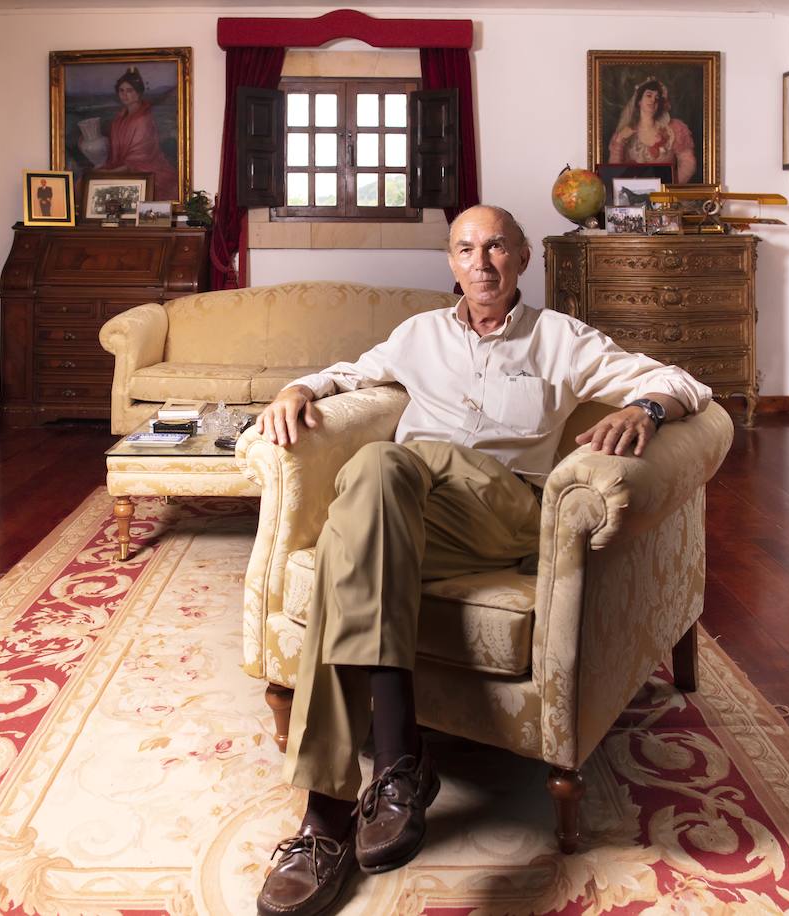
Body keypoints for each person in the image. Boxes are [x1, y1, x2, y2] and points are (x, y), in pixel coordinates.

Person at [252, 205, 711, 916]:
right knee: (366, 523)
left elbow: (684, 383)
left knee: (385, 465)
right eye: (467, 249)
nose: (482, 262)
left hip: (509, 511)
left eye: (497, 247)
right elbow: (349, 373)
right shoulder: (419, 335)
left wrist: (644, 411)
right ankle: (366, 789)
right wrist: (297, 390)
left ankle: (345, 803)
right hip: (413, 508)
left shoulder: (559, 337)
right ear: (451, 262)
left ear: (523, 259)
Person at [103, 67, 177, 199]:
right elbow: (116, 156)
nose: (124, 95)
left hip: (146, 172)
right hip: (123, 169)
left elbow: (138, 162)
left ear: (138, 93)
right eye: (121, 91)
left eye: (129, 90)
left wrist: (106, 173)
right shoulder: (119, 119)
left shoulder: (142, 120)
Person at [608, 78, 698, 184]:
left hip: (665, 198)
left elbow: (689, 164)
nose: (653, 100)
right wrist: (619, 143)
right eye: (649, 95)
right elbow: (615, 172)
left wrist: (671, 188)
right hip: (634, 196)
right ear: (639, 101)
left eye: (657, 98)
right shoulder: (624, 133)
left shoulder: (674, 129)